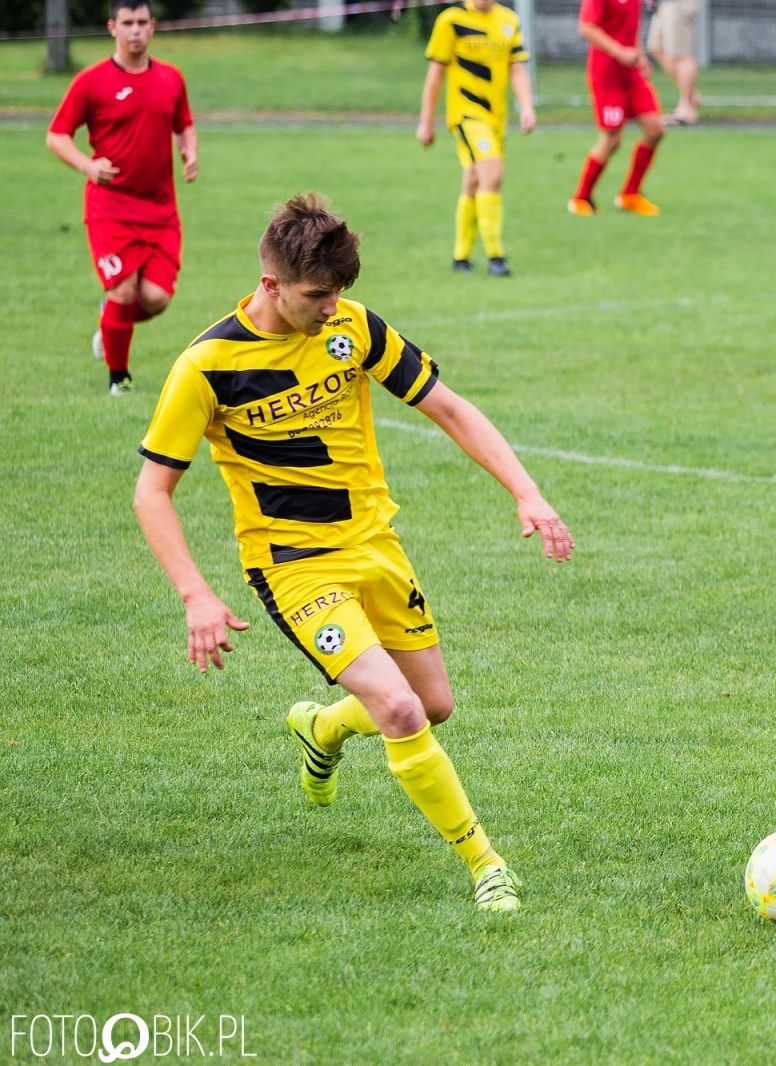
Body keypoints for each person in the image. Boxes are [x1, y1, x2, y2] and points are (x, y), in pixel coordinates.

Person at [132, 194, 575, 910]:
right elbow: (152, 493)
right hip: (295, 567)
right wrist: (196, 594)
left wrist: (528, 493)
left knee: (432, 706)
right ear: (270, 285)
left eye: (341, 292)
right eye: (317, 295)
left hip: (376, 547)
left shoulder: (352, 328)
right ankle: (485, 865)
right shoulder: (207, 365)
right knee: (399, 710)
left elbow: (449, 407)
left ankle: (324, 723)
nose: (333, 308)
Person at [46, 0, 196, 397]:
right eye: (127, 23)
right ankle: (119, 379)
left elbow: (184, 123)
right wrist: (87, 166)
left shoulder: (171, 78)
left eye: (142, 22)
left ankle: (109, 322)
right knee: (124, 291)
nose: (135, 30)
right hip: (109, 206)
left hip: (161, 208)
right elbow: (57, 135)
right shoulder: (91, 81)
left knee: (157, 298)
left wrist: (189, 150)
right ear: (112, 27)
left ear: (153, 26)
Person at [419, 0, 536, 277]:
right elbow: (436, 74)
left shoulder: (508, 20)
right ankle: (496, 255)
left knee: (475, 179)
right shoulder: (452, 20)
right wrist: (426, 121)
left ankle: (461, 257)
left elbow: (517, 68)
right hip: (466, 116)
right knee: (493, 173)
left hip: (497, 119)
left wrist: (527, 106)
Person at [569, 0, 665, 216]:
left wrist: (640, 56)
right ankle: (580, 198)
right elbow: (586, 28)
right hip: (606, 74)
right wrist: (619, 51)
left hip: (630, 74)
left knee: (655, 129)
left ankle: (630, 195)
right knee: (612, 139)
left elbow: (630, 29)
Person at [647, 0, 701, 126]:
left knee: (680, 54)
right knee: (656, 48)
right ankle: (691, 95)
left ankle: (687, 107)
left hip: (677, 3)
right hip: (663, 4)